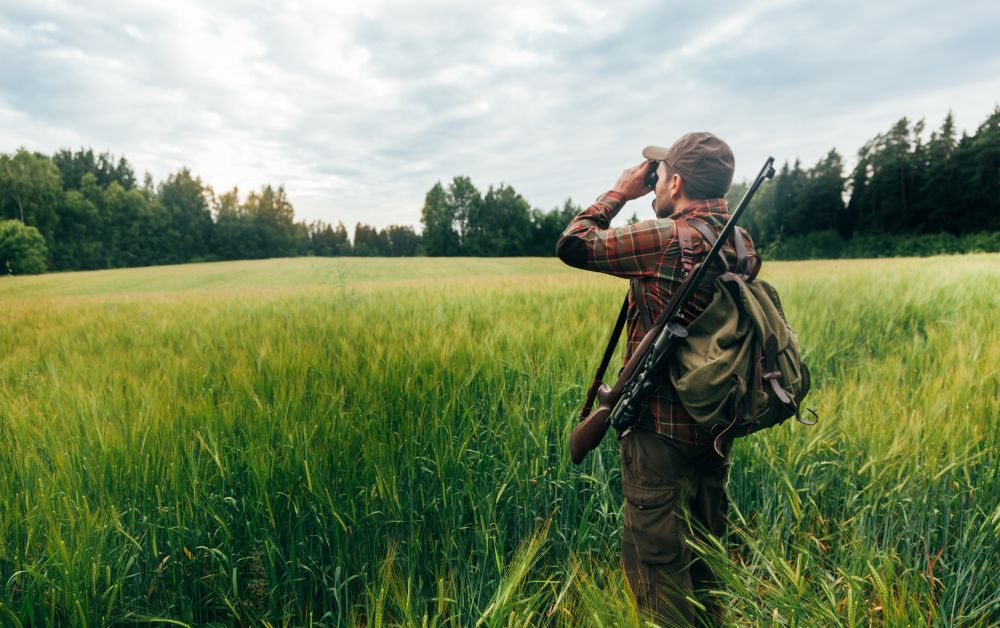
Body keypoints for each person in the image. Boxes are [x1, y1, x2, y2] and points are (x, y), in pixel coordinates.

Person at [556, 132, 756, 625]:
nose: (654, 185)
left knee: (658, 581)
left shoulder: (663, 239)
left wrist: (620, 193)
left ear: (678, 182)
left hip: (657, 436)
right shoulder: (740, 241)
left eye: (659, 177)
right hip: (714, 429)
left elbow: (573, 244)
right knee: (707, 570)